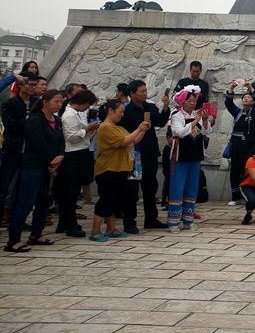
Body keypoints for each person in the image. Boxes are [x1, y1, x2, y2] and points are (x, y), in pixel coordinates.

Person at [5, 89, 64, 252]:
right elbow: (38, 143)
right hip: (33, 166)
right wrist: (51, 159)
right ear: (45, 102)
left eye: (60, 102)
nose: (58, 105)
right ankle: (13, 240)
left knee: (43, 203)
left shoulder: (57, 120)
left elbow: (60, 141)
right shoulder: (34, 120)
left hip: (49, 167)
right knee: (25, 203)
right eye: (56, 101)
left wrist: (60, 156)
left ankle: (36, 234)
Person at [91, 99, 149, 242]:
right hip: (108, 169)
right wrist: (139, 129)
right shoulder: (105, 127)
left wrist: (143, 131)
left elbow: (133, 141)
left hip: (121, 169)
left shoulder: (119, 128)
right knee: (105, 200)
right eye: (120, 112)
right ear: (110, 111)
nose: (122, 115)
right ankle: (95, 230)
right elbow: (123, 141)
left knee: (114, 201)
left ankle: (111, 228)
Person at [119, 80, 171, 233]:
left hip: (149, 152)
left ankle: (151, 219)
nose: (145, 93)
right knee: (132, 189)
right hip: (133, 154)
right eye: (141, 91)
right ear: (132, 93)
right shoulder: (126, 111)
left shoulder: (150, 107)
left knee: (150, 186)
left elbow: (161, 122)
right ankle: (129, 221)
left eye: (145, 90)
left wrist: (166, 107)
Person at [55, 89, 99, 237]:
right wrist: (88, 129)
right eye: (88, 104)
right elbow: (71, 137)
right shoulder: (69, 116)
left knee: (70, 192)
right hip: (72, 155)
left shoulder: (74, 114)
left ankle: (64, 222)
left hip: (79, 152)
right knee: (70, 193)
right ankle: (70, 224)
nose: (88, 107)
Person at [166, 86, 210, 232]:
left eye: (194, 100)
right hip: (180, 155)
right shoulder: (176, 115)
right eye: (189, 100)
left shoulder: (198, 113)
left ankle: (188, 219)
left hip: (195, 155)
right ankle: (173, 221)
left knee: (192, 188)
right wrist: (193, 122)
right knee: (177, 188)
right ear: (182, 102)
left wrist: (204, 120)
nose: (192, 103)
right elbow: (179, 132)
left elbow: (206, 131)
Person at [0, 73, 38, 224]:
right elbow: (11, 126)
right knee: (5, 186)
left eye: (34, 85)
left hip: (29, 152)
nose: (32, 87)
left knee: (23, 188)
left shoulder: (37, 103)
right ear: (20, 85)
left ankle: (17, 220)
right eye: (29, 84)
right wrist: (28, 121)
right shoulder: (10, 104)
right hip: (12, 150)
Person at [225, 82, 255, 205]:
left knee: (248, 170)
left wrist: (250, 88)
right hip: (236, 145)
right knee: (235, 170)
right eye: (244, 97)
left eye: (248, 97)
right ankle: (235, 197)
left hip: (250, 146)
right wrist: (231, 88)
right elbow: (228, 103)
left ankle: (248, 196)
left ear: (252, 101)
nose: (246, 98)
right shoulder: (237, 112)